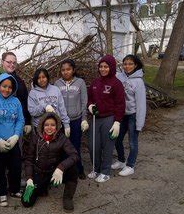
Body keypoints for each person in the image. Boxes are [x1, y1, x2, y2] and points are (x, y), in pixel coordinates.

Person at [21, 112, 79, 212]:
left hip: (54, 172)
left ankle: (68, 198)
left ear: (57, 126)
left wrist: (61, 168)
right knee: (26, 202)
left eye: (52, 125)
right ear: (42, 126)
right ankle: (41, 188)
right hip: (38, 173)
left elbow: (74, 155)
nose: (49, 128)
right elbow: (29, 159)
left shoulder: (62, 138)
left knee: (73, 170)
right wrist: (29, 178)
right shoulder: (35, 138)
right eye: (46, 125)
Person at [0, 73, 24, 207]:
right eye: (4, 86)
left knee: (15, 167)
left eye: (9, 87)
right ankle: (2, 192)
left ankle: (14, 189)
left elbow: (20, 119)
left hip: (12, 141)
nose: (6, 89)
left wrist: (16, 136)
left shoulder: (16, 101)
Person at [87, 55, 125, 183]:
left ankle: (105, 171)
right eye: (101, 66)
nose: (103, 69)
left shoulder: (116, 84)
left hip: (109, 118)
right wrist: (90, 105)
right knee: (93, 145)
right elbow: (90, 98)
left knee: (107, 146)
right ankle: (95, 168)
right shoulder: (95, 83)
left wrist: (117, 122)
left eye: (106, 67)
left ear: (111, 67)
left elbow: (120, 104)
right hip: (95, 118)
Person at [111, 55, 146, 176]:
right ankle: (121, 160)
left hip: (133, 115)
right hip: (121, 114)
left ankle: (130, 165)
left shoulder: (139, 82)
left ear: (135, 65)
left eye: (130, 64)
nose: (127, 66)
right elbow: (109, 72)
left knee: (132, 142)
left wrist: (139, 124)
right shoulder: (119, 77)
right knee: (116, 138)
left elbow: (141, 104)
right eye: (125, 64)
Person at [54, 59, 88, 180]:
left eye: (68, 69)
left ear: (73, 70)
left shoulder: (80, 83)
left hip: (76, 120)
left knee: (75, 146)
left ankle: (79, 169)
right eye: (63, 70)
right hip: (62, 122)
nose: (66, 72)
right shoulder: (57, 84)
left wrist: (84, 119)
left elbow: (84, 102)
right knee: (62, 147)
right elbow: (55, 103)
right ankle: (64, 172)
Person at [0, 52, 31, 134]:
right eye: (9, 62)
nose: (12, 65)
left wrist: (27, 121)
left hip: (17, 125)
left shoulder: (20, 81)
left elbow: (25, 101)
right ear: (2, 62)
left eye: (14, 63)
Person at [28, 67, 70, 135]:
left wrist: (66, 124)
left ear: (47, 77)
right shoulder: (33, 93)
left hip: (56, 126)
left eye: (43, 77)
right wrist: (44, 107)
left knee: (57, 145)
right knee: (43, 145)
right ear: (36, 79)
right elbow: (32, 111)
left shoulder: (55, 89)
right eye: (39, 78)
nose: (41, 80)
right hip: (40, 128)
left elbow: (61, 108)